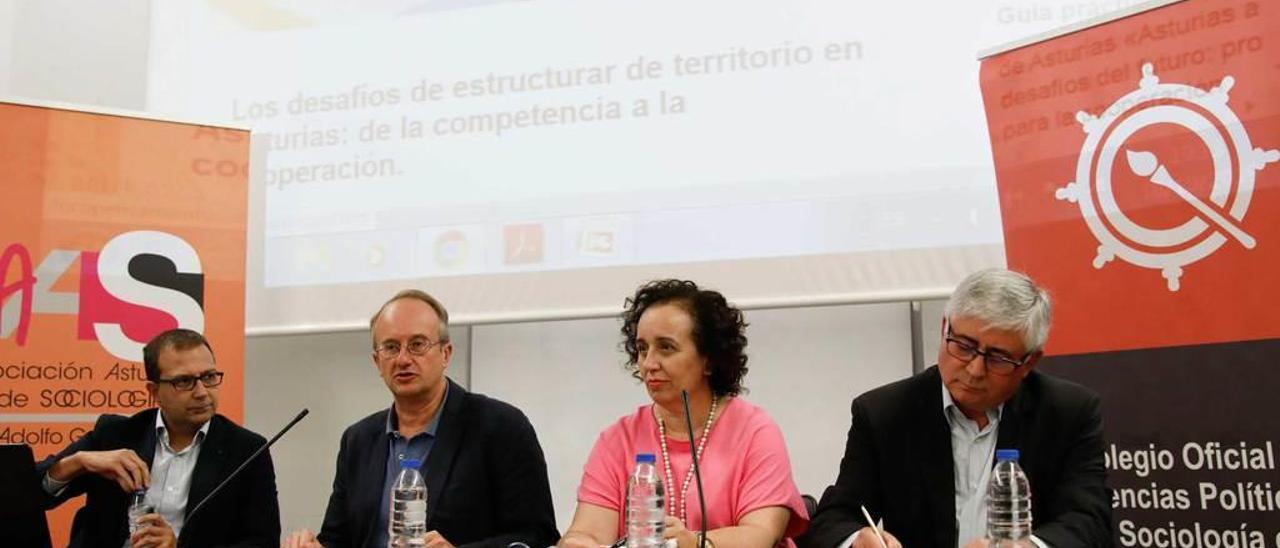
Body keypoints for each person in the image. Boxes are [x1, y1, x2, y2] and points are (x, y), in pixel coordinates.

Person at [802, 268, 1111, 548]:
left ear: (1029, 362)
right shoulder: (885, 413)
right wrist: (857, 541)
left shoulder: (1068, 412)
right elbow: (833, 520)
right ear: (944, 328)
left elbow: (1090, 523)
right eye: (963, 346)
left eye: (998, 358)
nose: (975, 370)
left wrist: (1026, 547)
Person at [283, 289, 558, 548]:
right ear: (377, 362)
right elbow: (338, 537)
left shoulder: (501, 427)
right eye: (390, 347)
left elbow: (537, 536)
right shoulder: (358, 439)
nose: (403, 359)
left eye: (417, 344)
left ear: (445, 353)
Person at [558, 279, 809, 548]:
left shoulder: (755, 431)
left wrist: (695, 543)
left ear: (709, 359)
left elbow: (760, 534)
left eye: (666, 347)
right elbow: (588, 534)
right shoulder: (617, 439)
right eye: (642, 349)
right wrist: (577, 543)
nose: (649, 364)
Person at [36, 328, 281, 548]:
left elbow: (263, 542)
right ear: (154, 392)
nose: (202, 392)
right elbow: (30, 496)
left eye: (208, 377)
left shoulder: (247, 450)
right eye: (184, 381)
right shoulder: (115, 434)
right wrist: (78, 462)